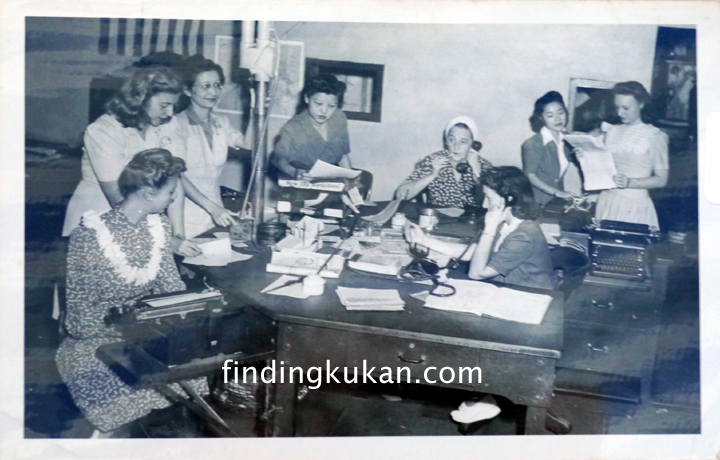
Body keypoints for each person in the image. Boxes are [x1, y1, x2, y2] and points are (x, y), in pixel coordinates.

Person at [55, 149, 208, 436]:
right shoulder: (90, 235)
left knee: (195, 378)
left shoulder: (159, 226)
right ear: (149, 192)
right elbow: (78, 319)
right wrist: (131, 330)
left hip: (145, 333)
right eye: (171, 191)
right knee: (127, 391)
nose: (175, 198)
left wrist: (191, 312)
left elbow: (170, 288)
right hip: (95, 340)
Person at [404, 166, 556, 290]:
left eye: (489, 198)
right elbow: (469, 253)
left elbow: (476, 274)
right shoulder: (504, 221)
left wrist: (489, 229)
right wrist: (423, 240)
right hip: (503, 288)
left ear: (509, 199)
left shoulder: (524, 236)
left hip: (527, 298)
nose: (484, 205)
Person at [174, 55, 250, 238]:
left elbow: (249, 144)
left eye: (217, 85)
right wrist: (212, 208)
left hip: (215, 216)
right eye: (206, 86)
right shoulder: (176, 124)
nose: (214, 92)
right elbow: (177, 176)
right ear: (187, 90)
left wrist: (255, 107)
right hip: (182, 216)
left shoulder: (221, 123)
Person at [590, 81, 669, 228]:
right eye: (617, 107)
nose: (620, 113)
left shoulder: (655, 136)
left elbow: (661, 180)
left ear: (641, 104)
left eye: (626, 108)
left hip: (634, 205)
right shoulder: (612, 131)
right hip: (607, 201)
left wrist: (630, 182)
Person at [395, 116, 491, 208]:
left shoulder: (483, 165)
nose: (456, 147)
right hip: (438, 220)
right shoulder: (433, 160)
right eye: (451, 140)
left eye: (463, 141)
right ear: (446, 141)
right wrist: (432, 175)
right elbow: (400, 195)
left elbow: (488, 203)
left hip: (471, 221)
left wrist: (477, 172)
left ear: (473, 144)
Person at [270, 73, 352, 179]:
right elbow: (277, 158)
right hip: (300, 184)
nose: (324, 110)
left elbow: (343, 157)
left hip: (330, 182)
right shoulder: (293, 128)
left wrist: (351, 183)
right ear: (307, 99)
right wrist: (294, 172)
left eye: (331, 106)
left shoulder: (339, 118)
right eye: (318, 103)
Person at [521, 91, 579, 207]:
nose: (557, 119)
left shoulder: (567, 140)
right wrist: (558, 193)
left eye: (561, 113)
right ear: (541, 118)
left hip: (555, 201)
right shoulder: (533, 144)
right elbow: (530, 176)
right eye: (550, 116)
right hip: (537, 201)